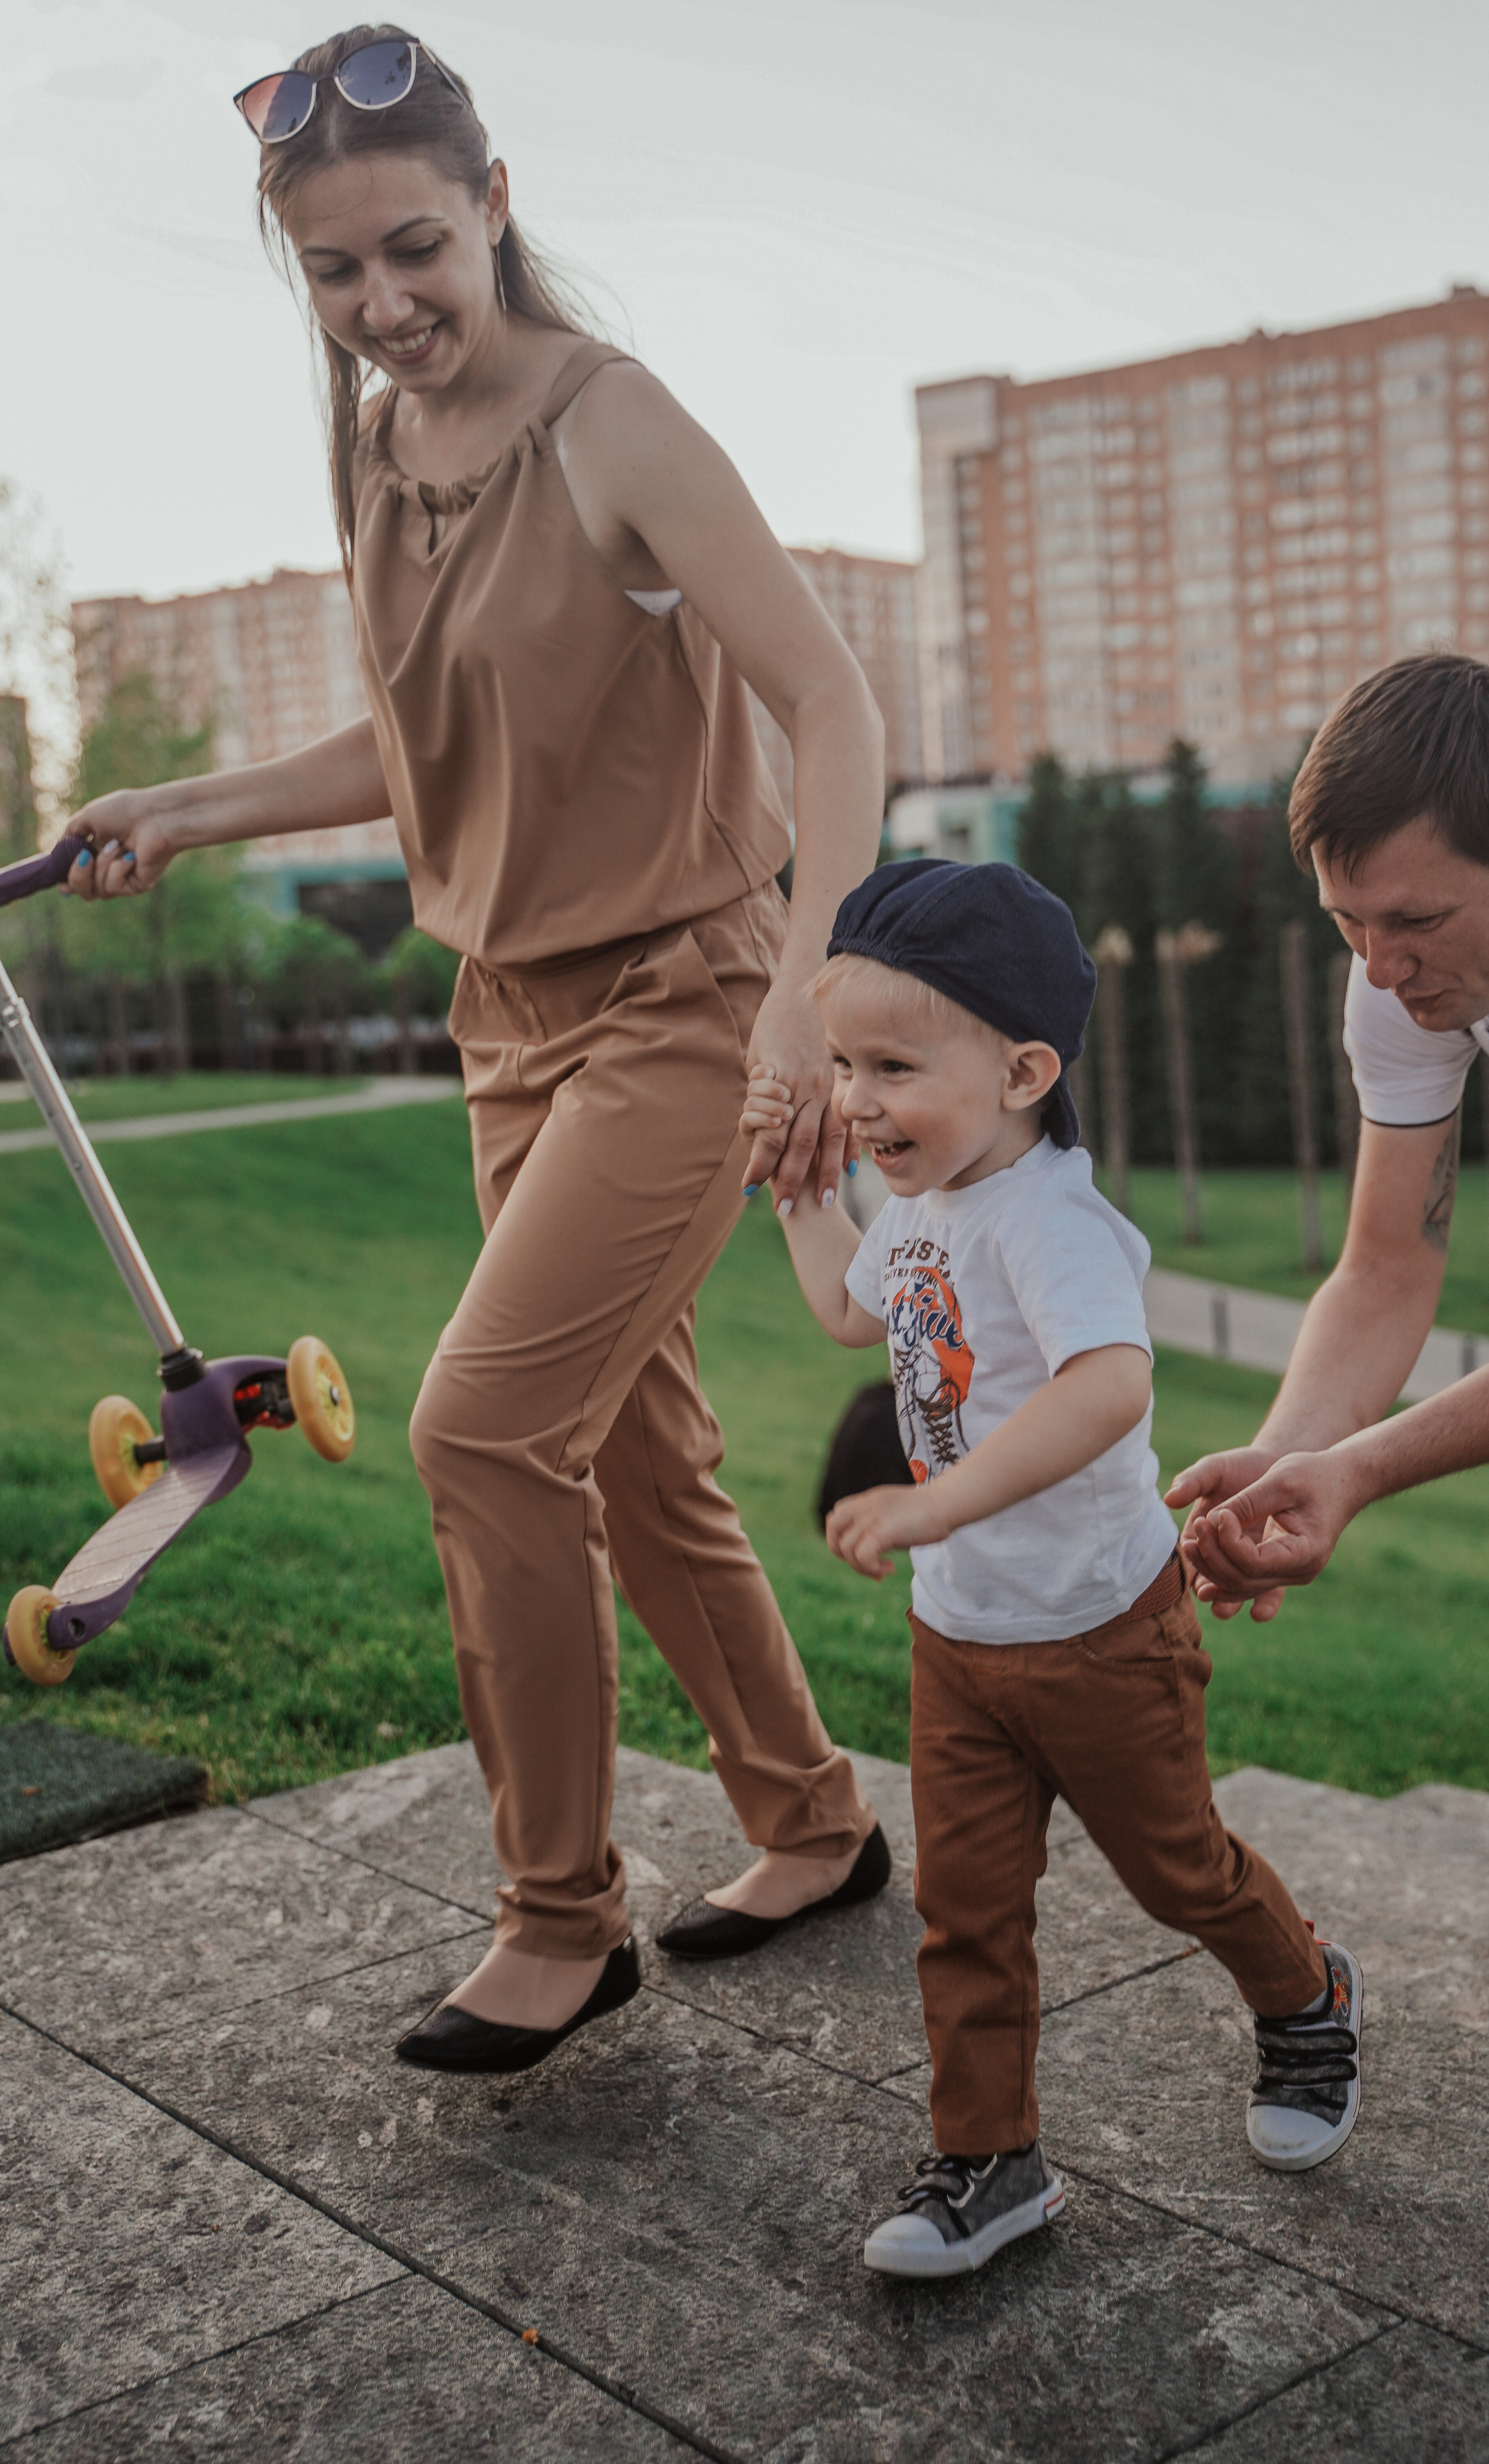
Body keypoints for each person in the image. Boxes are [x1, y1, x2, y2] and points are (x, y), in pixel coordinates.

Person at [65, 24, 889, 2072]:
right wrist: (188, 806)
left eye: (416, 249)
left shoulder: (617, 425)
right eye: (337, 274)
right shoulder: (374, 444)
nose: (383, 306)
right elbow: (430, 743)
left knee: (477, 1430)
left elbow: (836, 705)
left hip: (686, 998)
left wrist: (807, 984)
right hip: (503, 1019)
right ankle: (810, 1822)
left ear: (498, 203)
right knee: (630, 1446)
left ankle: (560, 1921)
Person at [746, 858, 1363, 2280]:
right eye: (844, 1064)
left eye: (892, 1065)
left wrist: (932, 1501)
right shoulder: (923, 1203)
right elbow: (854, 1314)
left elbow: (1106, 1389)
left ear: (1022, 1068)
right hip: (959, 1640)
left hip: (1098, 1630)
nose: (855, 1098)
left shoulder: (1049, 1218)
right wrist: (791, 1196)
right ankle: (988, 2160)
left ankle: (1305, 1996)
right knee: (964, 1910)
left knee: (1178, 1871)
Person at [1168, 653, 1489, 1616]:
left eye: (1414, 920)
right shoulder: (1399, 960)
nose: (1381, 971)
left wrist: (1359, 1470)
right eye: (1349, 924)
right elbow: (1386, 1270)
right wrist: (1287, 1454)